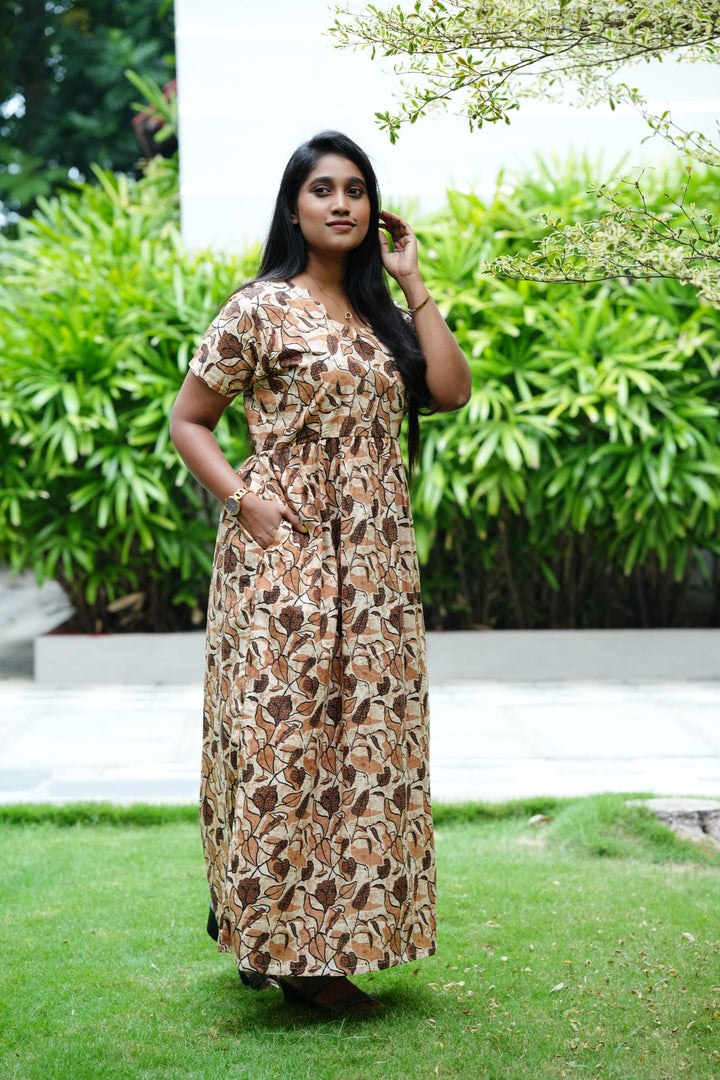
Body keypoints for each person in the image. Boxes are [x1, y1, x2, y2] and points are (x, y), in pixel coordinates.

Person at [170, 130, 471, 1017]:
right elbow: (190, 420)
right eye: (322, 189)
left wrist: (413, 282)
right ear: (294, 207)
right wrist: (245, 503)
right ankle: (286, 949)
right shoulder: (259, 308)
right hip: (286, 553)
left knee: (366, 746)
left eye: (356, 189)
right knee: (285, 738)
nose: (341, 203)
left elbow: (451, 390)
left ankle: (306, 939)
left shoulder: (380, 317)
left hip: (376, 565)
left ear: (374, 209)